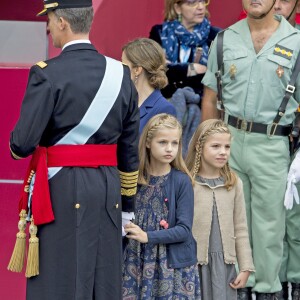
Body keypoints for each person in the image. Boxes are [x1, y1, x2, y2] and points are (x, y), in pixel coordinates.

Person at [7, 1, 139, 299]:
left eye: (50, 20)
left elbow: (22, 144)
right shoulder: (121, 74)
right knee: (101, 278)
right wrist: (127, 205)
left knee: (59, 276)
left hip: (59, 186)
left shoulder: (46, 73)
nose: (48, 27)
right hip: (108, 186)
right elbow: (129, 149)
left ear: (63, 22)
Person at [201, 0, 300, 298]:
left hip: (272, 141)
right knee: (229, 220)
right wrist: (205, 144)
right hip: (228, 139)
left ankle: (269, 289)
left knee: (269, 223)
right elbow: (210, 97)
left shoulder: (295, 43)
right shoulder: (224, 39)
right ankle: (237, 289)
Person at [122, 113, 201, 299]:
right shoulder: (134, 180)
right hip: (136, 260)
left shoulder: (181, 181)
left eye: (175, 143)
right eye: (163, 142)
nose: (170, 149)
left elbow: (184, 230)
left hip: (171, 266)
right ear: (148, 143)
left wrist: (147, 236)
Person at [185, 119, 255, 300]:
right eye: (215, 146)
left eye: (227, 147)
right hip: (193, 262)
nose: (223, 152)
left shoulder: (233, 183)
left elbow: (240, 228)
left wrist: (246, 266)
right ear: (199, 147)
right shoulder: (187, 182)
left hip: (224, 265)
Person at [274, 1, 300, 299]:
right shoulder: (246, 41)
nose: (278, 5)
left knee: (295, 219)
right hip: (264, 139)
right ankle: (275, 283)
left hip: (295, 140)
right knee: (271, 220)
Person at [149, 0, 220, 99]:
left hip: (201, 102)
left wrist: (172, 68)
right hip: (165, 100)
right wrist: (190, 68)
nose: (201, 7)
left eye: (202, 1)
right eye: (192, 2)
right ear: (178, 8)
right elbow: (154, 71)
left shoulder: (215, 36)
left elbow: (215, 75)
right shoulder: (160, 33)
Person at [121, 38, 176, 134]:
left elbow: (164, 147)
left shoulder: (164, 109)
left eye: (123, 64)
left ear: (137, 70)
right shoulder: (123, 102)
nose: (120, 68)